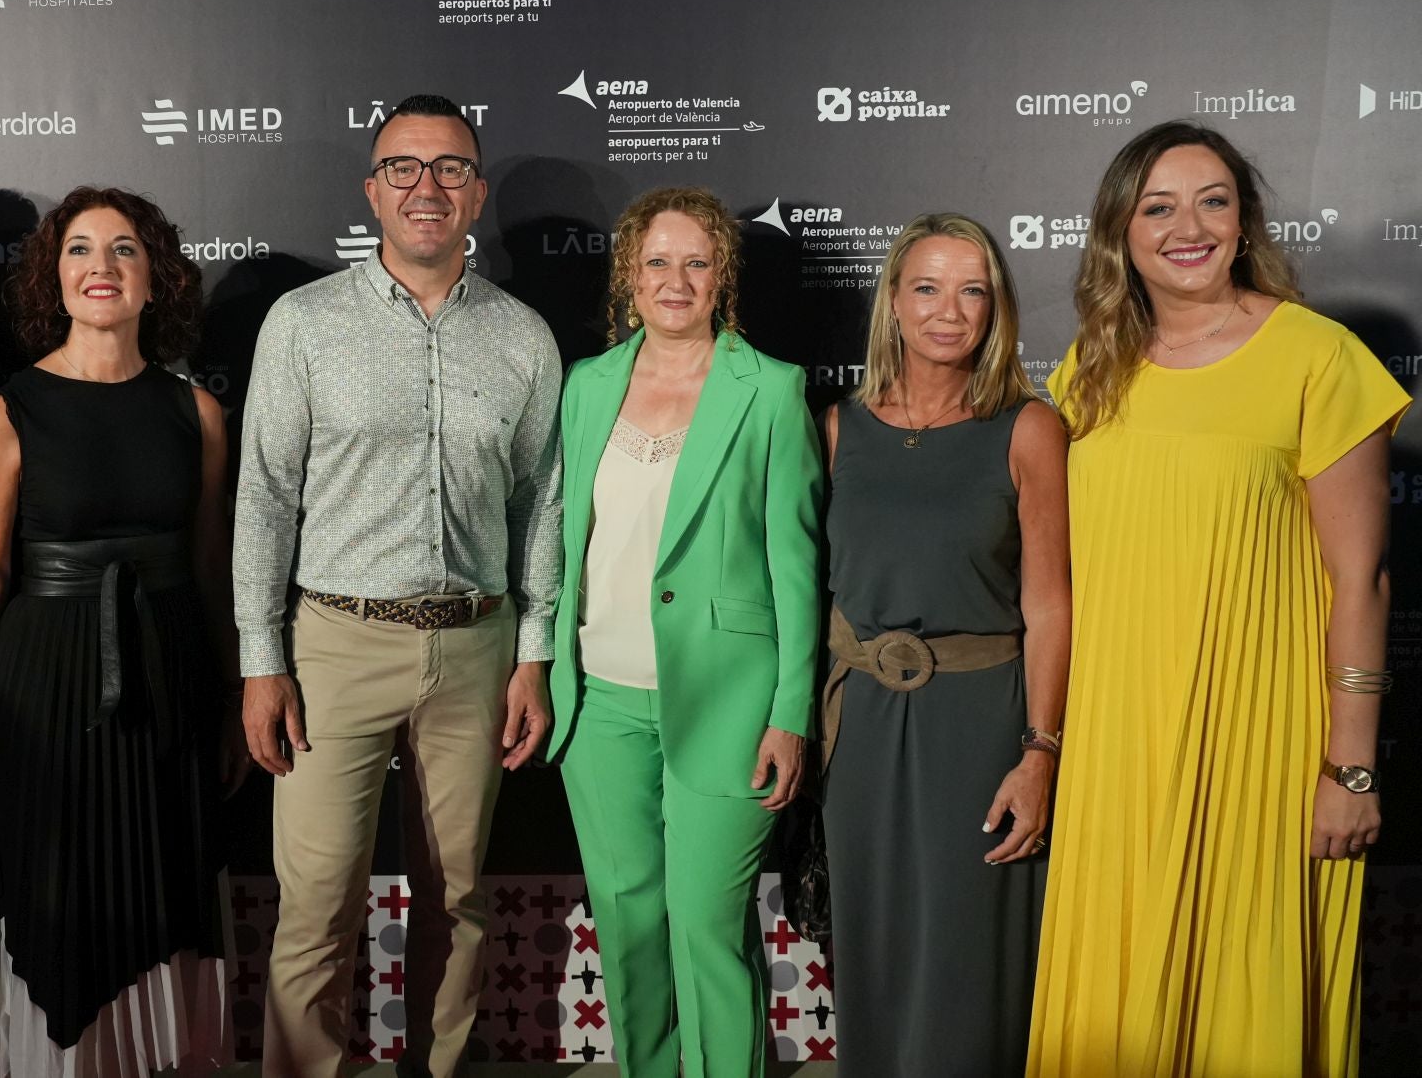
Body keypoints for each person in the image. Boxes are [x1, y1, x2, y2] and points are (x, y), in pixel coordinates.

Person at [1028, 122, 1408, 1077]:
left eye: (1213, 201)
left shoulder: (1317, 356)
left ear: (1245, 222)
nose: (1186, 226)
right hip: (1117, 743)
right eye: (1157, 206)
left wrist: (1350, 768)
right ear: (1122, 229)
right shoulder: (1089, 372)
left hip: (1259, 739)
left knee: (1245, 991)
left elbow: (1361, 579)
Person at [234, 93, 563, 1077]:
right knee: (318, 903)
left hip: (478, 646)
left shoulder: (525, 338)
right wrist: (262, 659)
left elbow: (539, 506)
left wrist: (535, 652)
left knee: (458, 900)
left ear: (478, 194)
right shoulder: (303, 325)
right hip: (335, 642)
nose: (429, 188)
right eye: (406, 169)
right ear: (373, 191)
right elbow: (264, 497)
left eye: (451, 169)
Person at [0, 186, 246, 1076]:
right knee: (57, 896)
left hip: (171, 675)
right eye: (78, 250)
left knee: (169, 887)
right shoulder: (7, 413)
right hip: (46, 690)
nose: (100, 267)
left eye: (124, 250)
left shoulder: (198, 413)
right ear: (51, 279)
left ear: (156, 279)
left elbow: (213, 571)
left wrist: (227, 702)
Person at [543, 186, 822, 1077]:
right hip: (599, 704)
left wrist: (791, 713)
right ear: (630, 275)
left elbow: (797, 566)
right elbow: (561, 540)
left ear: (722, 278)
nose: (676, 279)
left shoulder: (770, 390)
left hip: (731, 702)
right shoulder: (586, 386)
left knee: (707, 924)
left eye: (696, 262)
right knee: (627, 927)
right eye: (657, 261)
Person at [818, 213, 1070, 1076]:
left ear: (996, 308)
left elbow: (1049, 607)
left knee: (968, 956)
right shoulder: (839, 427)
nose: (949, 311)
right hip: (859, 727)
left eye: (972, 291)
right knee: (873, 942)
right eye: (927, 287)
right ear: (894, 301)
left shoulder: (1028, 429)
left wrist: (1040, 752)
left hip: (979, 725)